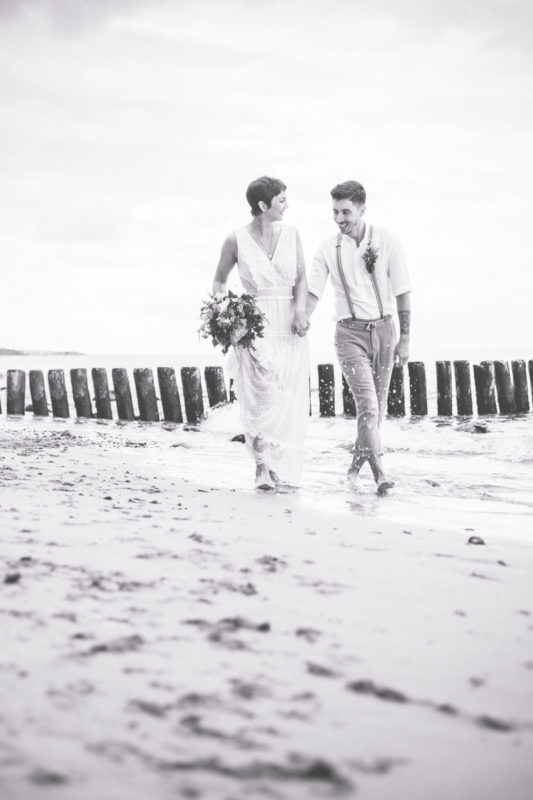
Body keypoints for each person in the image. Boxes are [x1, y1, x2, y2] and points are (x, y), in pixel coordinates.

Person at [307, 180, 411, 494]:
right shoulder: (327, 248)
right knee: (368, 404)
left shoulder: (388, 240)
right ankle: (380, 473)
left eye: (346, 211)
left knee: (375, 410)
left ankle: (352, 471)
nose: (340, 218)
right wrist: (300, 318)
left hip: (384, 331)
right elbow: (313, 291)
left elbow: (402, 292)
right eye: (336, 211)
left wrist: (405, 338)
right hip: (348, 334)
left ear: (362, 210)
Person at [212, 176, 310, 490]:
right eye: (281, 200)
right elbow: (219, 281)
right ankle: (261, 467)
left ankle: (280, 466)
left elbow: (302, 280)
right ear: (263, 205)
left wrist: (300, 311)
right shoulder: (235, 239)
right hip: (252, 325)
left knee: (286, 396)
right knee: (258, 398)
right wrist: (225, 314)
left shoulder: (293, 234)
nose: (287, 205)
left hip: (288, 325)